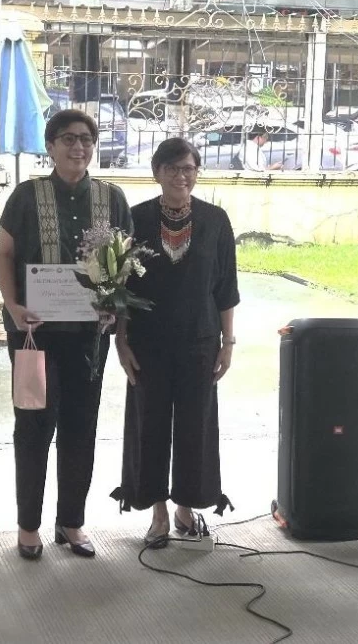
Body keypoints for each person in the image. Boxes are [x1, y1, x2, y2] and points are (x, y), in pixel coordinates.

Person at [0, 109, 133, 560]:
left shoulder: (112, 198)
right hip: (33, 336)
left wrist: (113, 307)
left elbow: (124, 264)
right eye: (68, 139)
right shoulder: (27, 195)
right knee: (33, 425)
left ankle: (71, 522)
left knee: (80, 427)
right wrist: (14, 306)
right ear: (50, 146)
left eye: (86, 139)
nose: (78, 147)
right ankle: (28, 526)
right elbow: (5, 254)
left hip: (89, 337)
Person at [109, 138, 239, 545]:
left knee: (194, 425)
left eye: (189, 168)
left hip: (200, 339)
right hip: (148, 341)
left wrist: (228, 341)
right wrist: (121, 341)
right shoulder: (135, 219)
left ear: (197, 172)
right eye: (172, 168)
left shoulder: (216, 221)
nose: (181, 176)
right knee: (148, 424)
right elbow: (121, 286)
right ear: (156, 172)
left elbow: (226, 287)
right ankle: (158, 513)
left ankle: (186, 507)